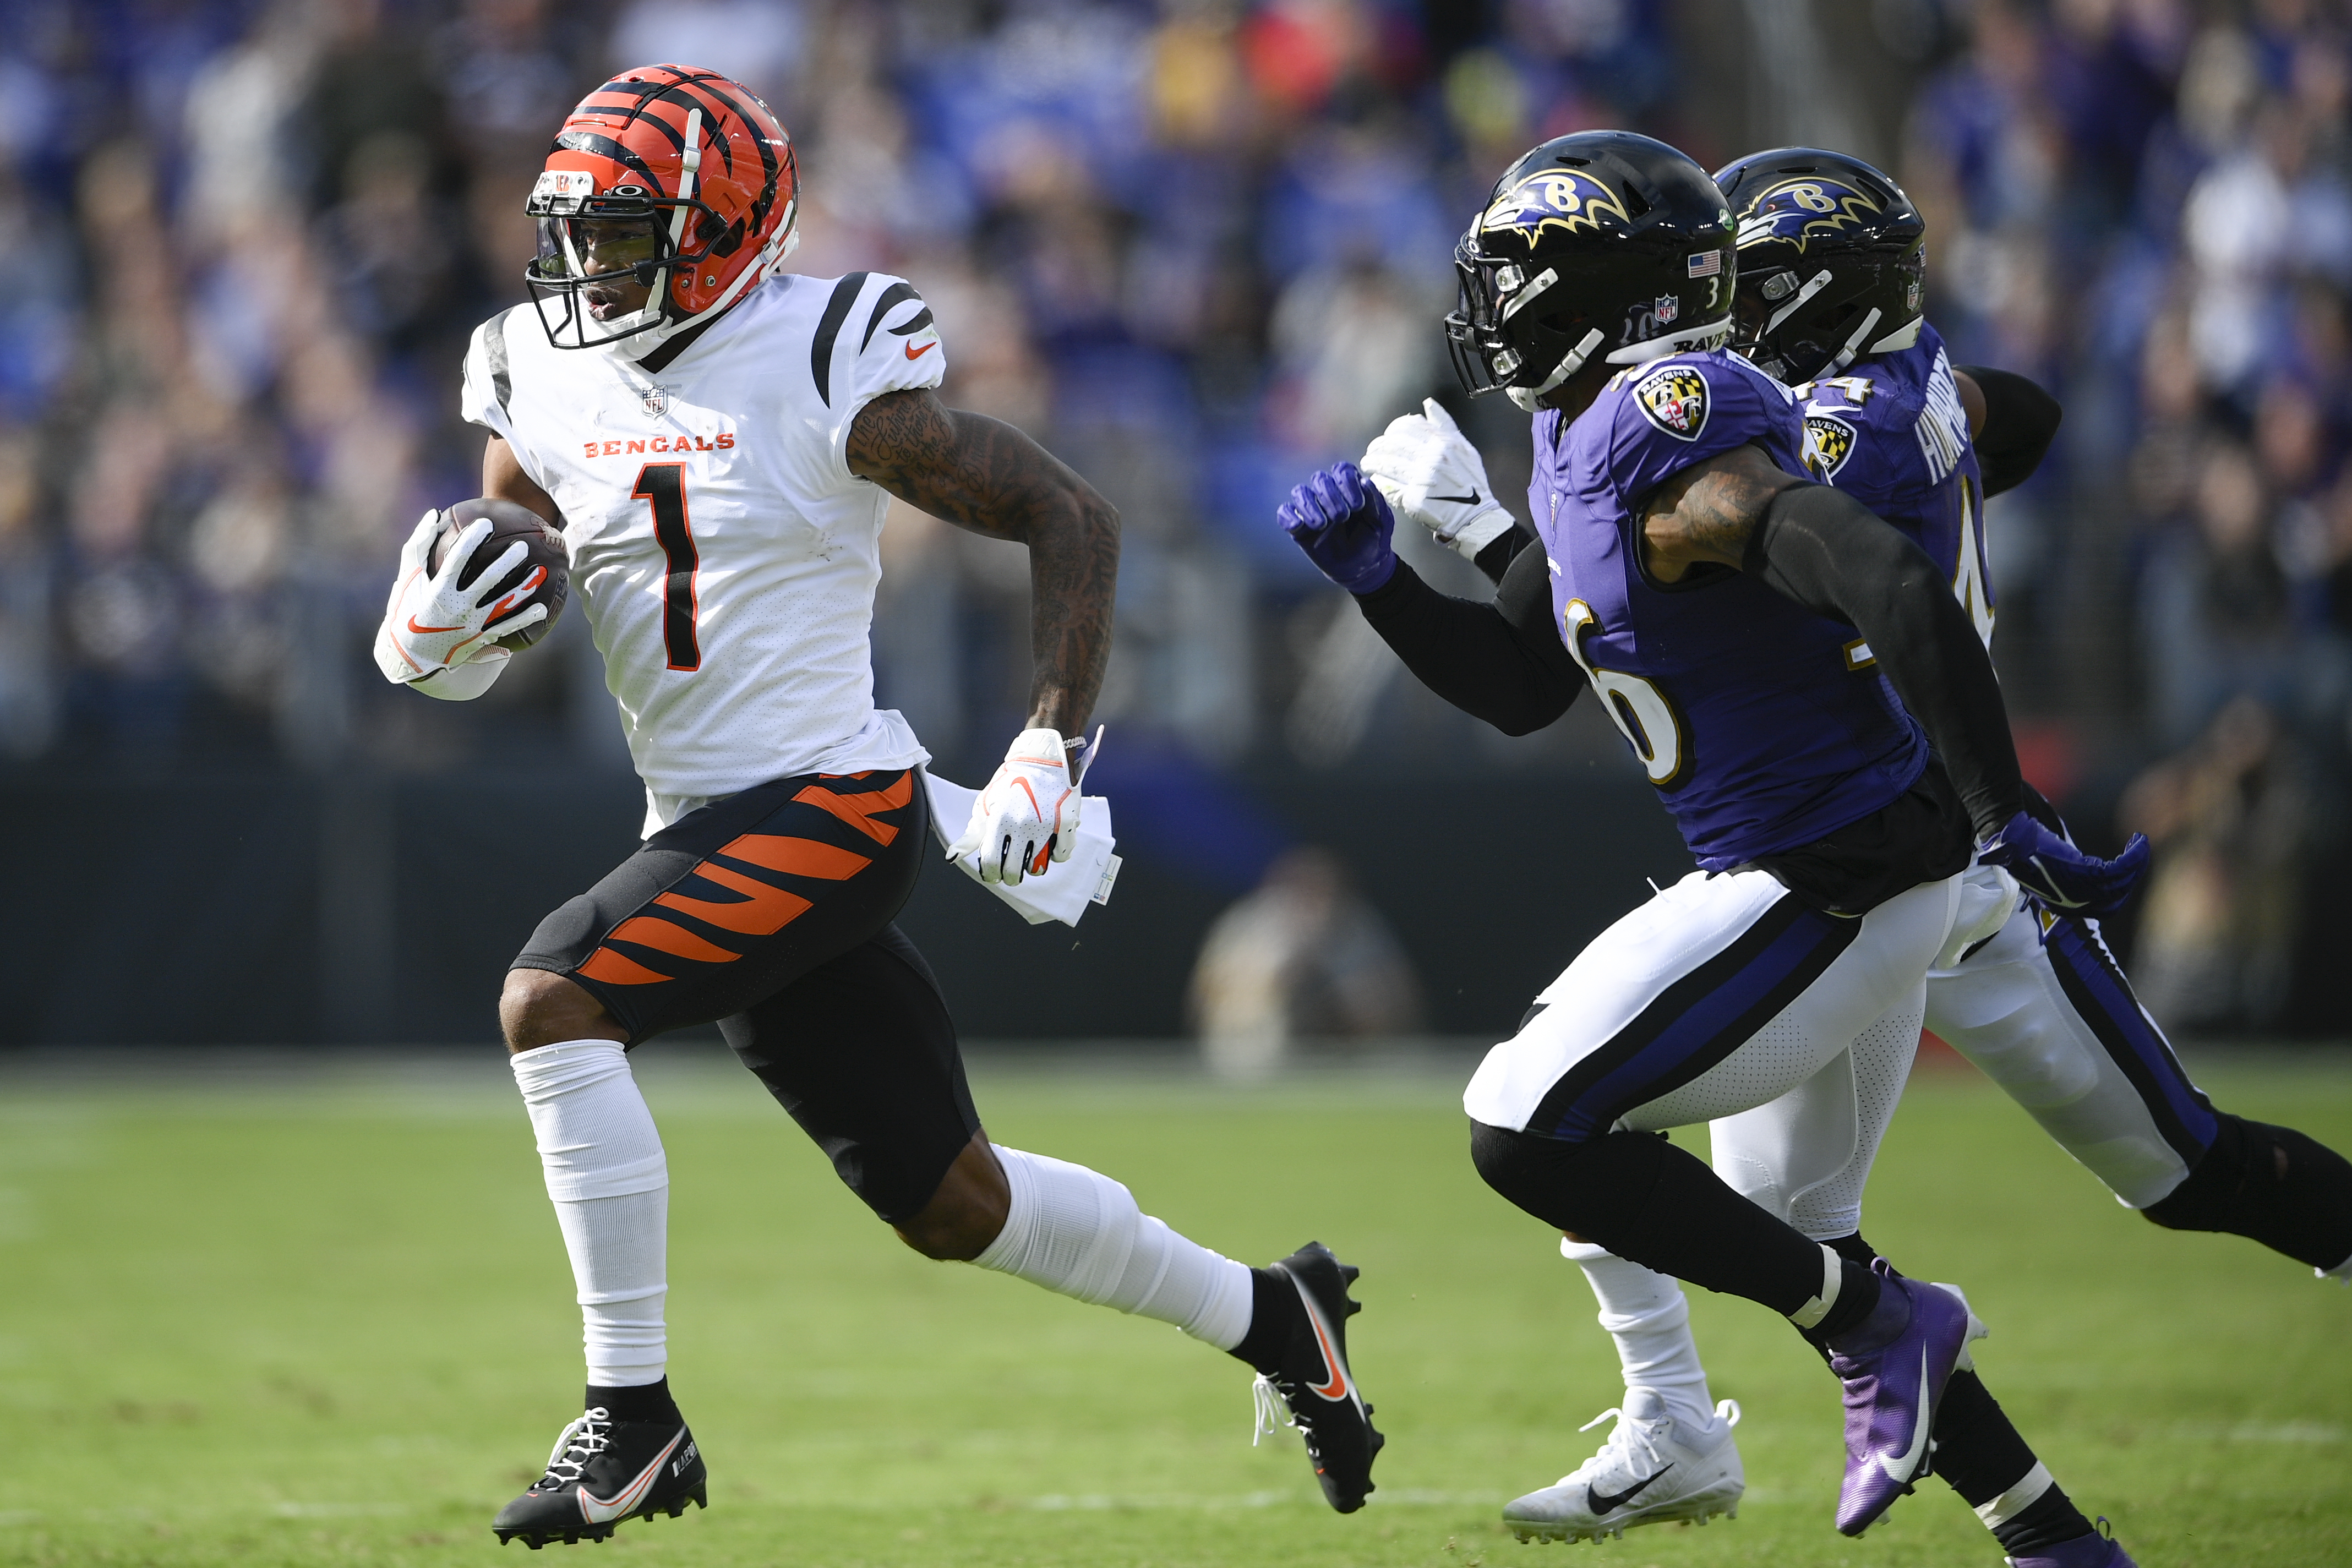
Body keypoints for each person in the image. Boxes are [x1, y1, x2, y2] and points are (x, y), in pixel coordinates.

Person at [372, 65, 1380, 1549]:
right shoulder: (536, 359)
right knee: (952, 1202)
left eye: (623, 230)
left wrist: (1049, 737)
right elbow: (520, 529)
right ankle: (1277, 1316)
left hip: (832, 806)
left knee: (551, 997)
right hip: (701, 817)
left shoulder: (817, 352)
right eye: (574, 230)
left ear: (721, 229)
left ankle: (633, 1422)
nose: (588, 265)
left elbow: (1067, 512)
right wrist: (441, 619)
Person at [1372, 145, 2352, 1553]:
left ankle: (1776, 1392)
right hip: (1889, 835)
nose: (1730, 313)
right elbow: (2019, 421)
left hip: (1913, 847)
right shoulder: (1878, 392)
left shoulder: (1762, 428)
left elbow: (1815, 556)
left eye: (1757, 288)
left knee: (2182, 1173)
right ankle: (2034, 1531)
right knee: (1755, 1211)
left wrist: (2005, 803)